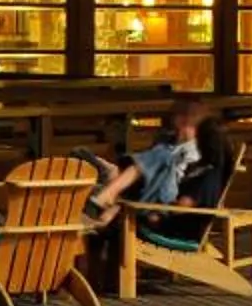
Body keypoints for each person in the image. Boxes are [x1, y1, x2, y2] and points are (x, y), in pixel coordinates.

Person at [83, 97, 204, 227]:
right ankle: (108, 198)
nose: (184, 118)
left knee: (160, 156)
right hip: (148, 190)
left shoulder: (196, 149)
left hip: (167, 200)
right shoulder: (168, 144)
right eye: (180, 114)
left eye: (191, 115)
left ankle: (107, 192)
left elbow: (185, 184)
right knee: (80, 154)